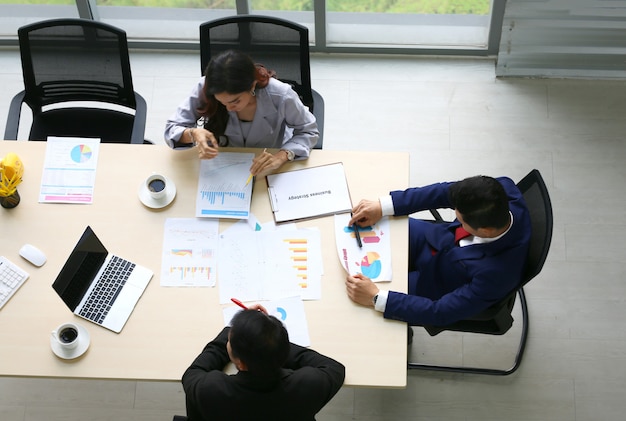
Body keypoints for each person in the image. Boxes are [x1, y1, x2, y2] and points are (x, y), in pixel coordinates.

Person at [345, 175, 531, 327]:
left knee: (356, 292)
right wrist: (384, 206)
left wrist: (375, 298)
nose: (457, 218)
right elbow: (445, 192)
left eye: (461, 220)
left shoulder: (496, 276)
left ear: (485, 231)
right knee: (379, 230)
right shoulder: (503, 189)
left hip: (435, 282)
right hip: (436, 239)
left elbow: (440, 312)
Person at [165, 49, 319, 177]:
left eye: (235, 101)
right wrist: (193, 133)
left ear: (252, 85)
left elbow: (308, 131)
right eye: (222, 102)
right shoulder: (204, 87)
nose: (228, 108)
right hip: (222, 163)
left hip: (267, 164)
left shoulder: (281, 95)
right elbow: (172, 128)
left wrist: (283, 155)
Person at [182, 304, 345, 421]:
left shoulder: (210, 390)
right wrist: (270, 341)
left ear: (241, 364)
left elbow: (193, 372)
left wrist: (233, 331)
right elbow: (335, 368)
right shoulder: (308, 385)